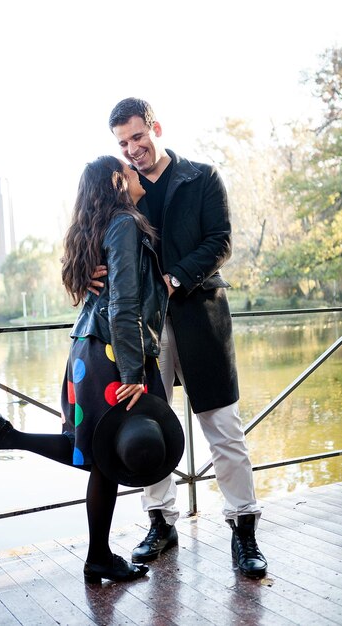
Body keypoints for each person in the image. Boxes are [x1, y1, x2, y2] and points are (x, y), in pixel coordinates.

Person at [0, 155, 173, 584]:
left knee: (98, 455)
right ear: (117, 182)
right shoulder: (125, 224)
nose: (136, 171)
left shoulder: (99, 227)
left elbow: (105, 294)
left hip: (86, 355)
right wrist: (133, 373)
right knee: (106, 455)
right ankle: (97, 557)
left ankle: (96, 555)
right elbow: (124, 304)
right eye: (128, 170)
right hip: (115, 354)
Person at [90, 98, 267, 579]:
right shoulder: (118, 192)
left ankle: (244, 530)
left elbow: (221, 240)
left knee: (224, 430)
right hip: (141, 331)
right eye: (123, 143)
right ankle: (161, 523)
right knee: (148, 425)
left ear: (156, 128)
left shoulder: (202, 177)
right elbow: (92, 241)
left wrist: (175, 278)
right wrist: (89, 274)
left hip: (201, 317)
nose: (132, 149)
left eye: (137, 137)